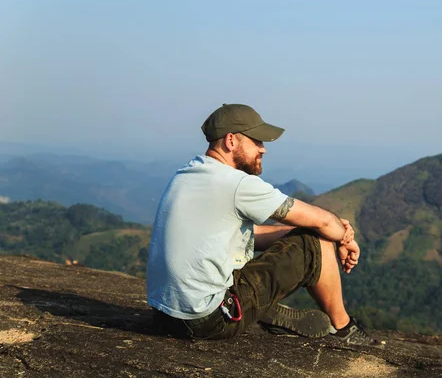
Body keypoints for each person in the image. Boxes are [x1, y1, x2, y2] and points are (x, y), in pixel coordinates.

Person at [146, 103, 382, 346]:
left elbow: (244, 235)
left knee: (309, 232)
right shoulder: (236, 184)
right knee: (315, 241)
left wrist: (300, 232)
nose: (263, 149)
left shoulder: (186, 175)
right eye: (257, 141)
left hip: (165, 315)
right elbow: (323, 221)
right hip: (208, 319)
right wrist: (344, 238)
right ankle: (344, 330)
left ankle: (259, 308)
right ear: (231, 141)